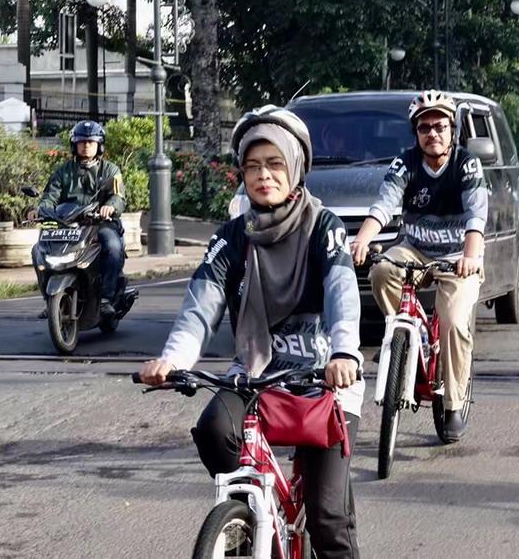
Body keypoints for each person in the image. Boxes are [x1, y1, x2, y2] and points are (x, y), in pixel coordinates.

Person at [139, 106, 363, 558]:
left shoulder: (324, 228)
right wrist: (174, 360)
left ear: (295, 166)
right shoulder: (231, 237)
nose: (264, 175)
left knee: (327, 518)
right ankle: (252, 517)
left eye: (275, 163)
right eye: (253, 166)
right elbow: (201, 306)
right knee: (214, 429)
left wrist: (344, 353)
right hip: (256, 375)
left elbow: (342, 293)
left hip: (324, 380)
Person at [350, 90, 488, 442]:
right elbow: (384, 205)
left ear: (453, 130)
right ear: (416, 133)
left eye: (440, 126)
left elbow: (476, 214)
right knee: (382, 270)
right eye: (424, 127)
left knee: (453, 321)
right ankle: (405, 340)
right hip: (415, 250)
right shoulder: (405, 163)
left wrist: (470, 256)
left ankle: (454, 403)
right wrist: (363, 239)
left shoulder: (466, 164)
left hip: (457, 257)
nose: (432, 133)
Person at [29, 120, 125, 317]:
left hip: (99, 223)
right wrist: (40, 210)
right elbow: (51, 196)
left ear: (99, 145)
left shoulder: (110, 170)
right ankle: (50, 299)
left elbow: (118, 196)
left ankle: (106, 298)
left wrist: (110, 207)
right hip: (67, 223)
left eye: (91, 142)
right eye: (81, 142)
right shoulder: (63, 171)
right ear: (74, 145)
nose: (86, 146)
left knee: (113, 246)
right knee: (38, 250)